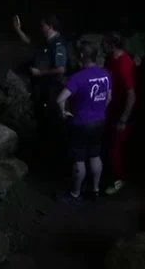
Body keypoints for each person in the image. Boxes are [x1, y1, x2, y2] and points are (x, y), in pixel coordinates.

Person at [55, 42, 112, 205]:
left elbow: (60, 99)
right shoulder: (106, 74)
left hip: (80, 123)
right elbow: (109, 98)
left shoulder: (77, 78)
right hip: (99, 121)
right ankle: (94, 190)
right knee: (95, 155)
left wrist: (64, 112)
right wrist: (99, 110)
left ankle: (75, 194)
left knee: (79, 159)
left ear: (81, 57)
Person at [13, 14, 68, 160]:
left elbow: (61, 68)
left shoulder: (58, 44)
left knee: (49, 119)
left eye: (43, 25)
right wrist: (18, 30)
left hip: (51, 88)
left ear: (50, 27)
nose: (40, 28)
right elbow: (29, 41)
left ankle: (49, 153)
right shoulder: (45, 41)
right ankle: (40, 147)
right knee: (40, 117)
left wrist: (40, 72)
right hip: (40, 87)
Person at [101, 32, 137, 195]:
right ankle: (108, 176)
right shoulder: (110, 60)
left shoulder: (124, 65)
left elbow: (132, 94)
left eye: (104, 43)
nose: (102, 46)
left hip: (121, 113)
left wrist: (123, 119)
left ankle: (118, 180)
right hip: (110, 109)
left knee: (115, 148)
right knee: (108, 145)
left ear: (111, 45)